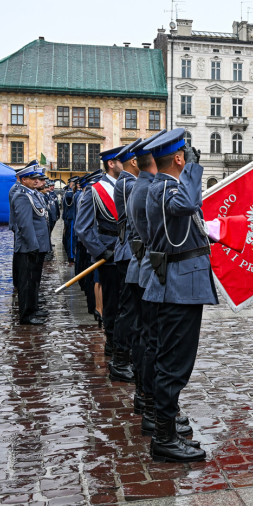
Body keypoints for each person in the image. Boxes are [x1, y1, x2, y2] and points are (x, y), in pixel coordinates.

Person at [142, 128, 213, 463]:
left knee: (172, 362)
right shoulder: (167, 188)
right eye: (187, 158)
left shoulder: (161, 186)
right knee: (174, 365)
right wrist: (195, 170)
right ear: (180, 159)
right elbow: (188, 203)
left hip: (176, 285)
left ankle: (165, 430)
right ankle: (164, 438)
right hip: (178, 288)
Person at [76, 147, 127, 359]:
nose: (126, 163)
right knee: (112, 302)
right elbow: (83, 227)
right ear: (111, 164)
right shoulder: (95, 190)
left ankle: (124, 344)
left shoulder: (127, 186)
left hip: (129, 252)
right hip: (110, 253)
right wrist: (100, 251)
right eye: (121, 160)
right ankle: (112, 344)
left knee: (127, 303)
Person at [108, 140, 143, 384]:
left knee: (130, 309)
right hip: (130, 252)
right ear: (134, 161)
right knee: (129, 310)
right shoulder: (130, 183)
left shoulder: (126, 182)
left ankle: (124, 356)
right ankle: (120, 361)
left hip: (128, 251)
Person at [10, 163, 50, 325]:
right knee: (27, 281)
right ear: (23, 179)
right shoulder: (21, 195)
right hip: (29, 246)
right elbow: (25, 224)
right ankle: (27, 314)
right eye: (32, 178)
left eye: (37, 178)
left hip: (37, 244)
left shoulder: (33, 194)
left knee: (34, 279)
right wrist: (33, 245)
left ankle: (33, 308)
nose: (36, 181)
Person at [63, 177, 78, 263]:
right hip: (71, 217)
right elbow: (69, 197)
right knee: (71, 238)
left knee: (72, 238)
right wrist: (71, 187)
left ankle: (72, 254)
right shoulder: (70, 192)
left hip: (72, 217)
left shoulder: (74, 192)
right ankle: (71, 256)